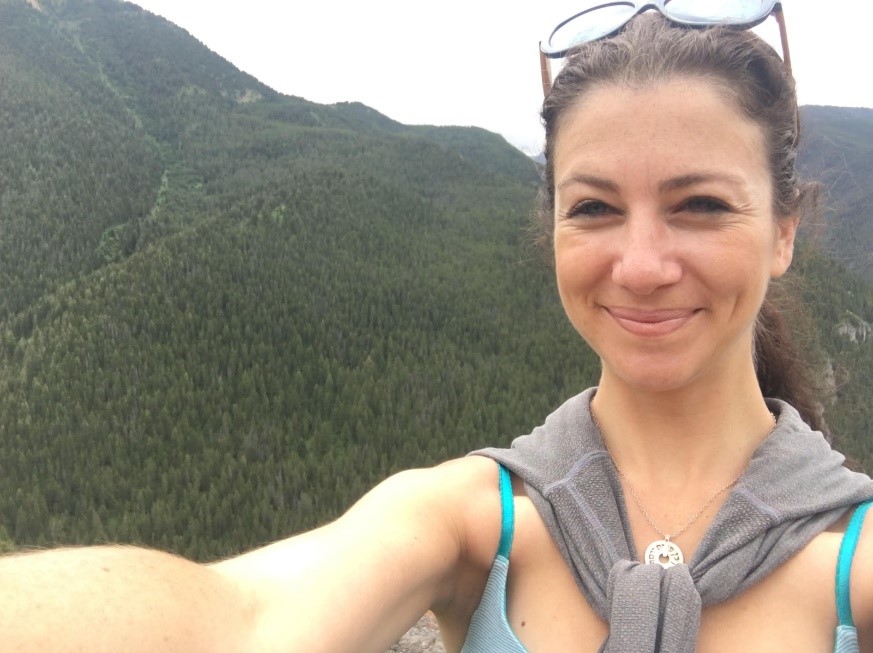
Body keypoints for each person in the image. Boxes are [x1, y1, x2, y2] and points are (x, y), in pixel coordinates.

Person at [2, 4, 873, 652]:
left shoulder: (854, 558)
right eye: (594, 207)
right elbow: (235, 620)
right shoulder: (467, 522)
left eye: (701, 204)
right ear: (551, 226)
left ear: (785, 229)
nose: (640, 263)